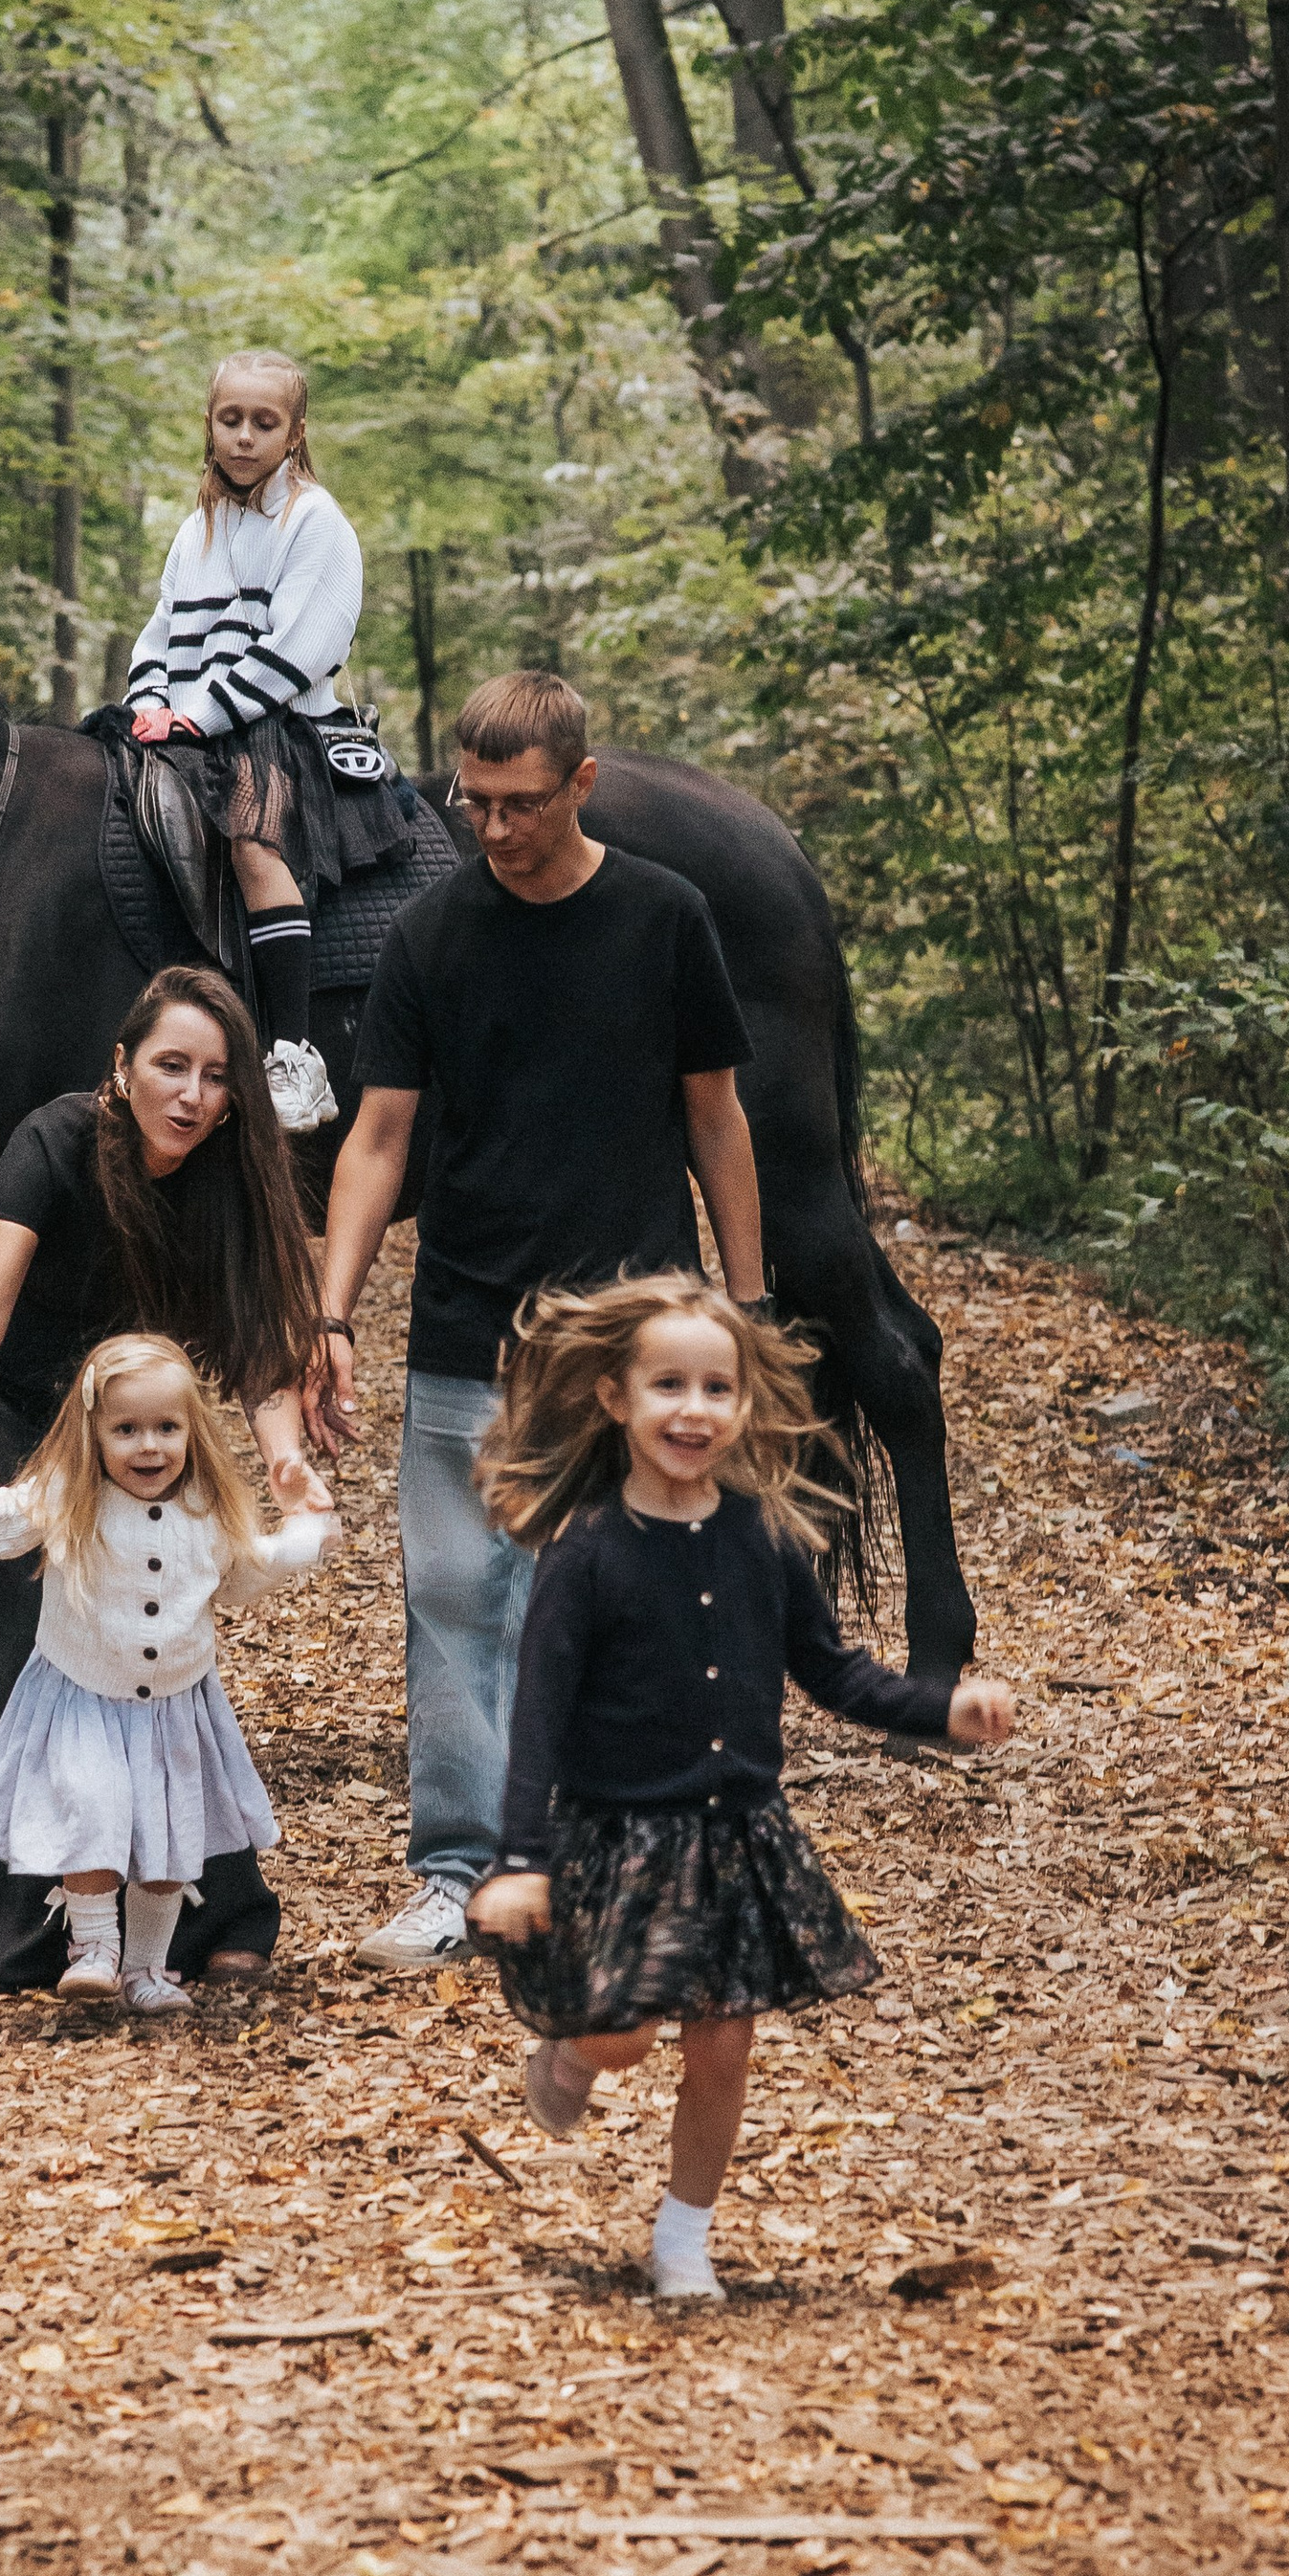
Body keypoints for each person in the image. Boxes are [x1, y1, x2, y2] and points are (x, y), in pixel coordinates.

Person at [312, 665, 768, 1969]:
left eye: (520, 803)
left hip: (635, 1340)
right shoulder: (430, 935)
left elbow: (717, 1120)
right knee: (459, 1599)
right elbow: (377, 1139)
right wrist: (332, 1313)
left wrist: (748, 1307)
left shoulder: (666, 918)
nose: (494, 827)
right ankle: (461, 1874)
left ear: (581, 784)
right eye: (475, 802)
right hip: (470, 1320)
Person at [464, 1275, 1016, 2299]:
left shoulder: (763, 1537)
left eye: (717, 1389)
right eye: (668, 1385)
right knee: (624, 2035)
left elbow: (834, 1673)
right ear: (615, 1398)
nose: (695, 1410)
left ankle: (684, 2240)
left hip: (736, 1839)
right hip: (619, 1839)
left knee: (721, 2049)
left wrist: (938, 1708)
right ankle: (572, 2057)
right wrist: (520, 1861)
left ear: (745, 1403)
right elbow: (536, 1719)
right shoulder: (585, 1553)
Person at [0, 965, 330, 2003]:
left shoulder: (231, 1174)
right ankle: (22, 1935)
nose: (193, 1095)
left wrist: (282, 1459)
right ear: (123, 1068)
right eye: (171, 1066)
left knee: (165, 1659)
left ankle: (213, 1918)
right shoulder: (54, 1142)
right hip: (32, 1421)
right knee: (18, 1669)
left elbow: (256, 1346)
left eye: (216, 1076)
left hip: (144, 1433)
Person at [0, 1334, 341, 2015]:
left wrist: (307, 1526)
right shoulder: (71, 1495)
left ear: (192, 1432)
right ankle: (94, 1947)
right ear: (93, 1434)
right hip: (84, 1697)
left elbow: (245, 1572)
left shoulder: (207, 1510)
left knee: (167, 1842)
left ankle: (146, 1970)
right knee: (92, 1809)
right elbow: (2, 1524)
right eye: (126, 1430)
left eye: (166, 1428)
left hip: (174, 1706)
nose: (148, 1446)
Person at [124, 350, 414, 1136]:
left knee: (254, 846)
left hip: (274, 726)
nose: (245, 436)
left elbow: (301, 648)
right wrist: (149, 705)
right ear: (210, 425)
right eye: (231, 420)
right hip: (189, 726)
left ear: (295, 433)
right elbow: (160, 634)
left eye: (264, 422)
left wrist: (201, 715)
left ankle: (293, 1052)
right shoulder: (197, 529)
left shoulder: (315, 521)